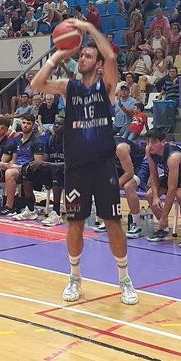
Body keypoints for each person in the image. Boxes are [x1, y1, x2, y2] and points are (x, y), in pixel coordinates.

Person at [31, 18, 138, 305]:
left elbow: (112, 55)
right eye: (82, 54)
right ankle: (75, 277)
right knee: (75, 223)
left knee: (113, 222)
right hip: (76, 166)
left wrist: (88, 30)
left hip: (103, 165)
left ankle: (125, 280)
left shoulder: (107, 87)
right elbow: (36, 83)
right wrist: (58, 54)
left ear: (99, 64)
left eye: (89, 54)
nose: (83, 56)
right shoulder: (70, 87)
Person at [144, 128, 181, 248]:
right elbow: (153, 174)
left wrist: (164, 216)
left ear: (163, 142)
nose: (150, 145)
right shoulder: (149, 150)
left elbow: (172, 189)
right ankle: (164, 229)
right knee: (150, 195)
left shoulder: (173, 157)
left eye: (154, 142)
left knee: (180, 195)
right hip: (171, 173)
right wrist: (156, 196)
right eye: (148, 141)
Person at [113, 136, 148, 239]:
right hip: (124, 165)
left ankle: (137, 225)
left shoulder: (120, 148)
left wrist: (114, 186)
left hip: (141, 165)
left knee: (128, 186)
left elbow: (129, 173)